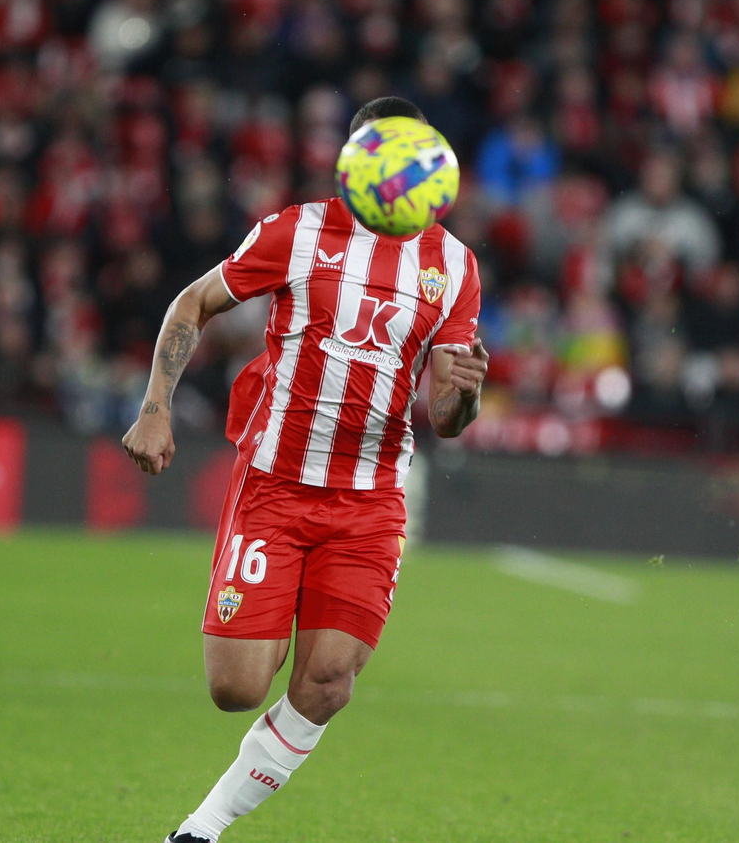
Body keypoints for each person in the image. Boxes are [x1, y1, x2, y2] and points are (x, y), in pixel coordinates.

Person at [121, 97, 488, 843]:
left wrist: (467, 394)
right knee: (236, 687)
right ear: (353, 162)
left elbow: (446, 418)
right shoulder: (298, 231)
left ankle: (199, 830)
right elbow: (193, 303)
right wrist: (156, 406)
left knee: (326, 683)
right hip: (276, 484)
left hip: (370, 502)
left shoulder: (453, 265)